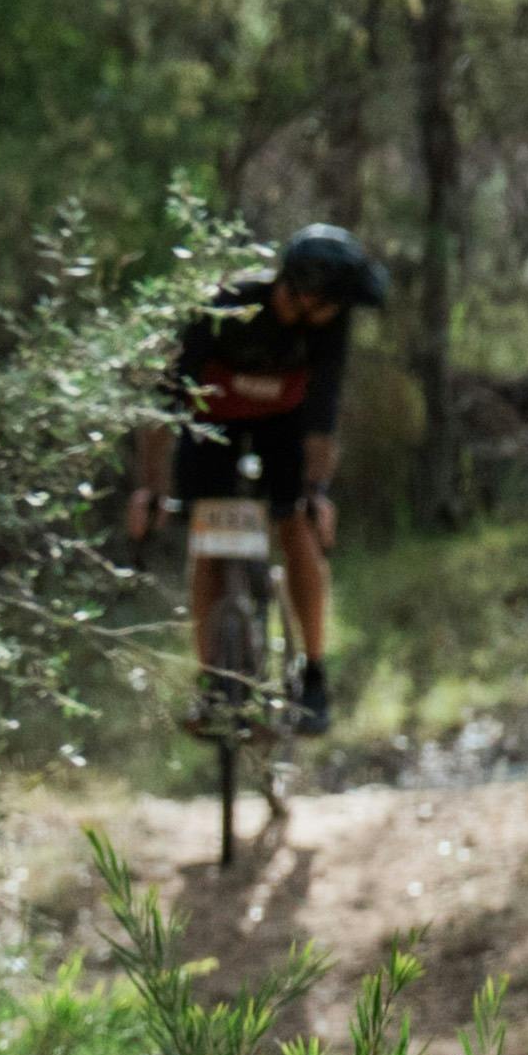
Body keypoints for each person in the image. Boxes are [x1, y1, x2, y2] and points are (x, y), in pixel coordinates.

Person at [117, 222, 382, 730]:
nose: (338, 313)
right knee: (208, 542)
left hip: (284, 430)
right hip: (209, 427)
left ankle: (315, 675)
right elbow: (165, 401)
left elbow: (323, 415)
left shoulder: (329, 326)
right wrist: (149, 489)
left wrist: (317, 492)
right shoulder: (223, 307)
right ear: (304, 293)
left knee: (296, 525)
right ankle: (212, 680)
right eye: (334, 302)